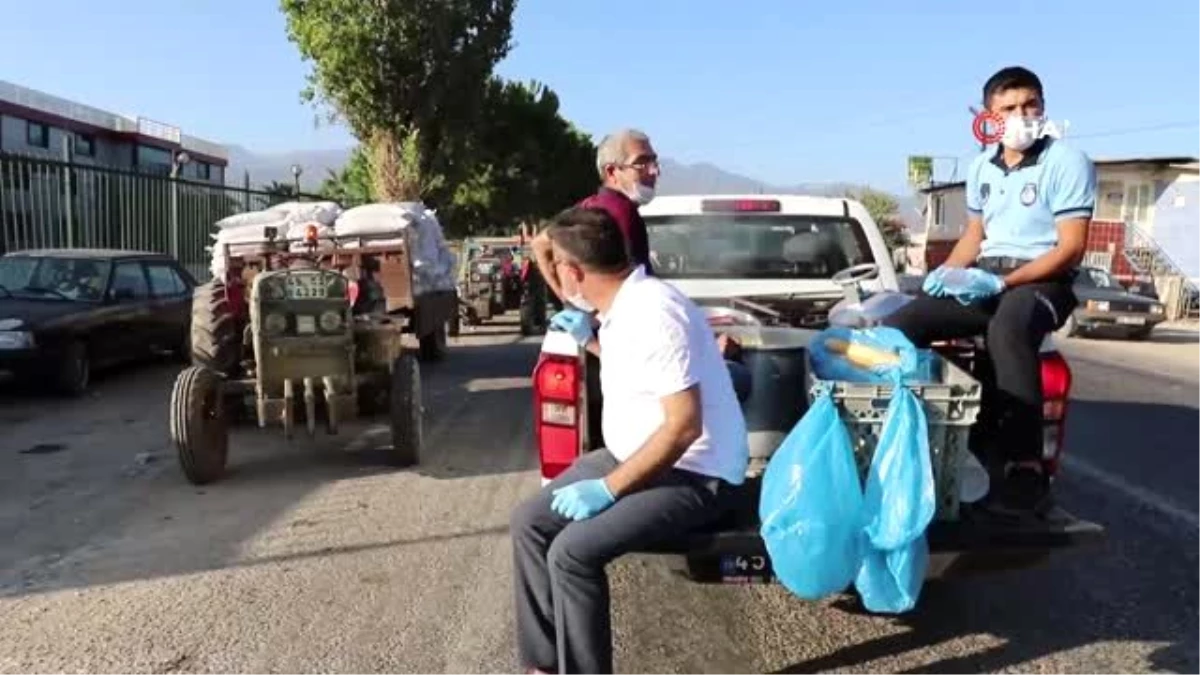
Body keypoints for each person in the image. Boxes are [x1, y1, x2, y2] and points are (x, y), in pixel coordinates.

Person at [510, 206, 749, 675]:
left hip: (699, 473)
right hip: (638, 454)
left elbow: (683, 428)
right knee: (529, 522)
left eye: (560, 269)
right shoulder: (621, 305)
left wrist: (609, 488)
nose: (558, 279)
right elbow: (639, 368)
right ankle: (542, 666)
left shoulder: (655, 314)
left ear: (575, 271)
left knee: (573, 553)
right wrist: (592, 342)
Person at [882, 66, 1096, 516]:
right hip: (987, 276)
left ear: (1043, 107)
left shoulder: (1066, 161)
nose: (1022, 115)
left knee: (1008, 328)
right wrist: (943, 276)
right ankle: (906, 437)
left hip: (1042, 280)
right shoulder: (981, 166)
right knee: (902, 324)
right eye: (1010, 107)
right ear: (989, 116)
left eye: (1031, 104)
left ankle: (1023, 465)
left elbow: (1071, 246)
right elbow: (974, 234)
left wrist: (1003, 282)